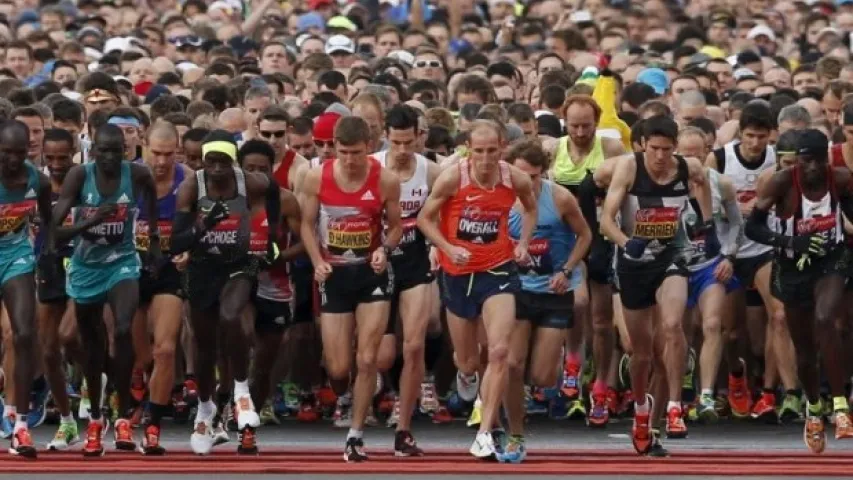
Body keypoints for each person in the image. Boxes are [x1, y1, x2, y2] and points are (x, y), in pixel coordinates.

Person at [416, 119, 536, 460]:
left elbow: (529, 209)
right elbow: (425, 219)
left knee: (499, 352)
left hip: (497, 269)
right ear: (468, 150)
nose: (485, 159)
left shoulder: (516, 178)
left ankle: (485, 431)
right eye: (478, 151)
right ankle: (466, 377)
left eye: (491, 151)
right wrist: (446, 248)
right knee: (469, 360)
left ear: (502, 148)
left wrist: (523, 242)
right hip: (457, 273)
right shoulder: (454, 176)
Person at [599, 115, 718, 455]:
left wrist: (706, 224)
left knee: (671, 325)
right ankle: (640, 411)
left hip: (672, 255)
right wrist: (625, 242)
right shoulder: (628, 168)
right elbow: (607, 221)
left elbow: (702, 181)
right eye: (655, 149)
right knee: (642, 352)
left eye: (668, 149)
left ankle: (674, 406)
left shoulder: (687, 167)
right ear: (643, 145)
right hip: (635, 262)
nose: (661, 157)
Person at [52, 123, 160, 456]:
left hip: (122, 262)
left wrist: (153, 241)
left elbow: (152, 199)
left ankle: (124, 415)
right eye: (104, 151)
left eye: (118, 151)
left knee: (124, 329)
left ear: (127, 152)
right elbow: (56, 232)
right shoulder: (78, 177)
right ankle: (97, 418)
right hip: (86, 269)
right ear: (93, 151)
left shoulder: (138, 176)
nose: (111, 157)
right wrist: (91, 220)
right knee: (92, 345)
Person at [170, 130, 281, 455]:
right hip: (203, 267)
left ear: (233, 162)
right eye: (211, 162)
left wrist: (270, 234)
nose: (217, 169)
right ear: (203, 162)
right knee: (204, 348)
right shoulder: (193, 186)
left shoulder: (250, 182)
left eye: (224, 162)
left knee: (232, 315)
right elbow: (175, 242)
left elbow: (275, 192)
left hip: (238, 263)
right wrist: (205, 224)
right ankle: (205, 409)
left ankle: (241, 390)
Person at [300, 116, 402, 462]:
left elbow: (397, 227)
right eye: (342, 152)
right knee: (339, 366)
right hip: (335, 276)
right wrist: (316, 261)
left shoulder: (385, 179)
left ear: (368, 148)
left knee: (368, 356)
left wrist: (383, 250)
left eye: (355, 153)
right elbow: (306, 224)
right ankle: (348, 391)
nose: (348, 159)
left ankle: (356, 435)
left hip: (371, 273)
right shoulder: (317, 177)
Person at [745, 129, 853, 454]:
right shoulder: (780, 182)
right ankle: (814, 408)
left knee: (827, 319)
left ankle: (840, 407)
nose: (813, 169)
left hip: (831, 261)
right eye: (806, 161)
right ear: (797, 161)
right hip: (792, 267)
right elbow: (753, 226)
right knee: (804, 351)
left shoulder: (842, 179)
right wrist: (791, 241)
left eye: (819, 161)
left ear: (826, 160)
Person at [501, 139, 591, 463]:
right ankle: (515, 433)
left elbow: (585, 235)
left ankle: (561, 362)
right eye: (521, 174)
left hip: (554, 290)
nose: (528, 181)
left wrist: (567, 270)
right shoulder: (500, 198)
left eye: (535, 175)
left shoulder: (560, 197)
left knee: (541, 377)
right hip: (517, 288)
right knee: (512, 365)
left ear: (544, 172)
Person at [551, 94, 625, 423]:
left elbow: (625, 192)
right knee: (576, 304)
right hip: (566, 239)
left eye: (587, 125)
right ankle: (573, 362)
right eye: (575, 125)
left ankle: (601, 386)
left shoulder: (610, 149)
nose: (581, 132)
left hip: (601, 239)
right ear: (565, 122)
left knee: (602, 321)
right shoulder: (553, 149)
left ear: (597, 122)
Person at [373, 105, 440, 455]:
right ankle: (374, 392)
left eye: (408, 142)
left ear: (418, 137)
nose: (401, 151)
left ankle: (404, 426)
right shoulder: (371, 165)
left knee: (414, 345)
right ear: (386, 136)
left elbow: (445, 211)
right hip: (377, 262)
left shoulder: (429, 170)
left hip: (414, 260)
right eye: (396, 143)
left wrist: (436, 246)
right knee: (381, 356)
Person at [132, 121, 194, 455]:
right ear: (143, 146)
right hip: (131, 268)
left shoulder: (187, 180)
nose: (161, 161)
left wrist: (189, 248)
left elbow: (200, 223)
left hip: (169, 270)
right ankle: (136, 393)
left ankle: (154, 426)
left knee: (165, 350)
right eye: (155, 153)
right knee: (141, 357)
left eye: (169, 154)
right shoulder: (129, 177)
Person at [238, 139, 304, 451]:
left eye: (262, 169)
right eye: (249, 169)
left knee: (264, 361)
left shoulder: (286, 200)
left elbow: (306, 243)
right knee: (242, 333)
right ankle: (233, 399)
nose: (256, 175)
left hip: (275, 284)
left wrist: (279, 257)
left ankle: (251, 412)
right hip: (238, 280)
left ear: (272, 169)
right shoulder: (227, 199)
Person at [0, 121, 55, 458]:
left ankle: (19, 423)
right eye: (6, 153)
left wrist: (47, 254)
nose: (14, 160)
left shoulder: (37, 180)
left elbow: (48, 221)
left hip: (15, 256)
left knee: (22, 334)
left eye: (20, 153)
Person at [36, 128, 80, 451]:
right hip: (46, 267)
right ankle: (67, 421)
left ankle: (95, 379)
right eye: (49, 158)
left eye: (62, 157)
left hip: (84, 266)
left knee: (69, 336)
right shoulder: (34, 184)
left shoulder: (86, 182)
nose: (55, 164)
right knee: (48, 349)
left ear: (75, 151)